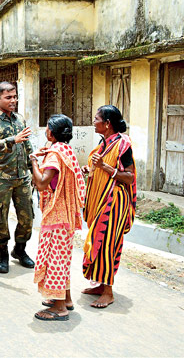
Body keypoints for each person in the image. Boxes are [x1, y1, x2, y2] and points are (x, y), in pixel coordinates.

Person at [30, 114, 86, 321]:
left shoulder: (54, 155)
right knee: (62, 259)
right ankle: (66, 298)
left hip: (57, 212)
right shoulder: (66, 150)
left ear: (51, 133)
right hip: (68, 213)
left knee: (54, 259)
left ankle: (59, 307)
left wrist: (34, 162)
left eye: (47, 129)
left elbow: (42, 184)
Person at [81, 105, 136, 309]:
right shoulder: (105, 142)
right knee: (97, 241)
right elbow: (100, 167)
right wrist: (91, 169)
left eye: (96, 119)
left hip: (114, 202)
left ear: (107, 123)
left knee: (106, 244)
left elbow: (129, 178)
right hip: (100, 200)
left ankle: (108, 292)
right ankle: (99, 285)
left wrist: (105, 167)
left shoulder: (123, 145)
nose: (93, 122)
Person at [0, 81, 35, 274]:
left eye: (14, 97)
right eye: (8, 97)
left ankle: (20, 250)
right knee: (1, 218)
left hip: (22, 178)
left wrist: (34, 169)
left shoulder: (20, 120)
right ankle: (2, 253)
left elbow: (27, 147)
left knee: (27, 218)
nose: (13, 100)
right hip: (1, 179)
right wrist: (13, 140)